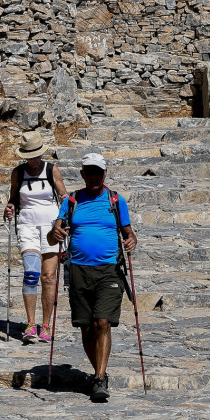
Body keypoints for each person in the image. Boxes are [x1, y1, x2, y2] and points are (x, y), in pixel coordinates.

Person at [48, 150, 137, 402]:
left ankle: (99, 377)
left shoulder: (115, 200)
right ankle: (97, 371)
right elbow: (54, 233)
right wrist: (55, 234)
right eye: (90, 172)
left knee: (102, 322)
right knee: (86, 328)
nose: (94, 176)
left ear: (104, 173)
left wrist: (131, 240)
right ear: (83, 174)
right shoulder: (72, 201)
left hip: (109, 269)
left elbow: (129, 233)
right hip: (77, 268)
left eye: (98, 172)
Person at [3, 129, 66, 344]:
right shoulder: (18, 173)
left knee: (48, 277)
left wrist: (64, 221)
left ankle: (46, 326)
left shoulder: (51, 170)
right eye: (30, 156)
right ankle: (31, 324)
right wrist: (9, 208)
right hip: (27, 226)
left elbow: (63, 197)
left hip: (50, 229)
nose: (33, 160)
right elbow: (13, 199)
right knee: (31, 273)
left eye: (37, 155)